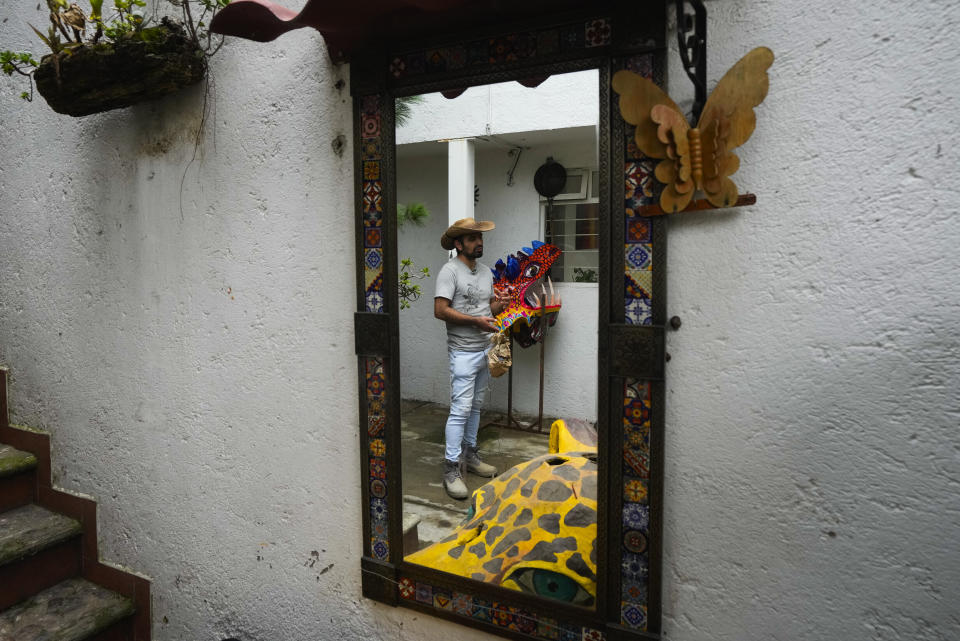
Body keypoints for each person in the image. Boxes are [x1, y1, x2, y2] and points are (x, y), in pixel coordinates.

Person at [434, 217, 509, 499]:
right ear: (458, 243)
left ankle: (471, 455)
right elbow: (440, 310)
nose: (479, 243)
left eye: (481, 239)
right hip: (463, 351)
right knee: (460, 409)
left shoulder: (486, 271)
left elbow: (487, 307)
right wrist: (476, 321)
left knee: (476, 406)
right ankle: (451, 468)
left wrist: (500, 304)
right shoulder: (449, 271)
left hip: (485, 348)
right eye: (473, 239)